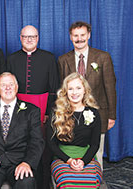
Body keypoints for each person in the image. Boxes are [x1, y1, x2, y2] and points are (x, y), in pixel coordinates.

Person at [58, 21, 116, 169]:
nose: (79, 39)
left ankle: (97, 179)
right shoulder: (63, 60)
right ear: (70, 37)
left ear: (89, 35)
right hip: (71, 115)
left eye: (82, 35)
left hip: (99, 112)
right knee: (74, 149)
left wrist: (112, 115)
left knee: (97, 150)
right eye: (75, 35)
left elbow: (110, 87)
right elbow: (62, 90)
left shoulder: (103, 57)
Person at [7, 25, 59, 189]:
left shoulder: (49, 58)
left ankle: (43, 184)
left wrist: (48, 112)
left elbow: (54, 88)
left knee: (42, 147)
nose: (29, 40)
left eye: (33, 36)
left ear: (38, 38)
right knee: (20, 144)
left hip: (42, 107)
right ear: (20, 38)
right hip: (18, 108)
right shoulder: (12, 59)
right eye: (25, 36)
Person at [0, 72, 44, 189]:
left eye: (11, 84)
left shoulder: (31, 111)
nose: (8, 88)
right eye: (3, 85)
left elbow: (37, 141)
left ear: (16, 87)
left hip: (19, 163)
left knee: (26, 183)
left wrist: (27, 163)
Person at [47, 73, 102, 188]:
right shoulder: (56, 112)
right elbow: (51, 143)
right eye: (70, 89)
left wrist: (83, 161)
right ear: (65, 92)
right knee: (67, 181)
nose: (74, 92)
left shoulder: (94, 113)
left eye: (78, 88)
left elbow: (95, 144)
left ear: (84, 90)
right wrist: (69, 160)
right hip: (62, 157)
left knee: (90, 182)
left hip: (87, 157)